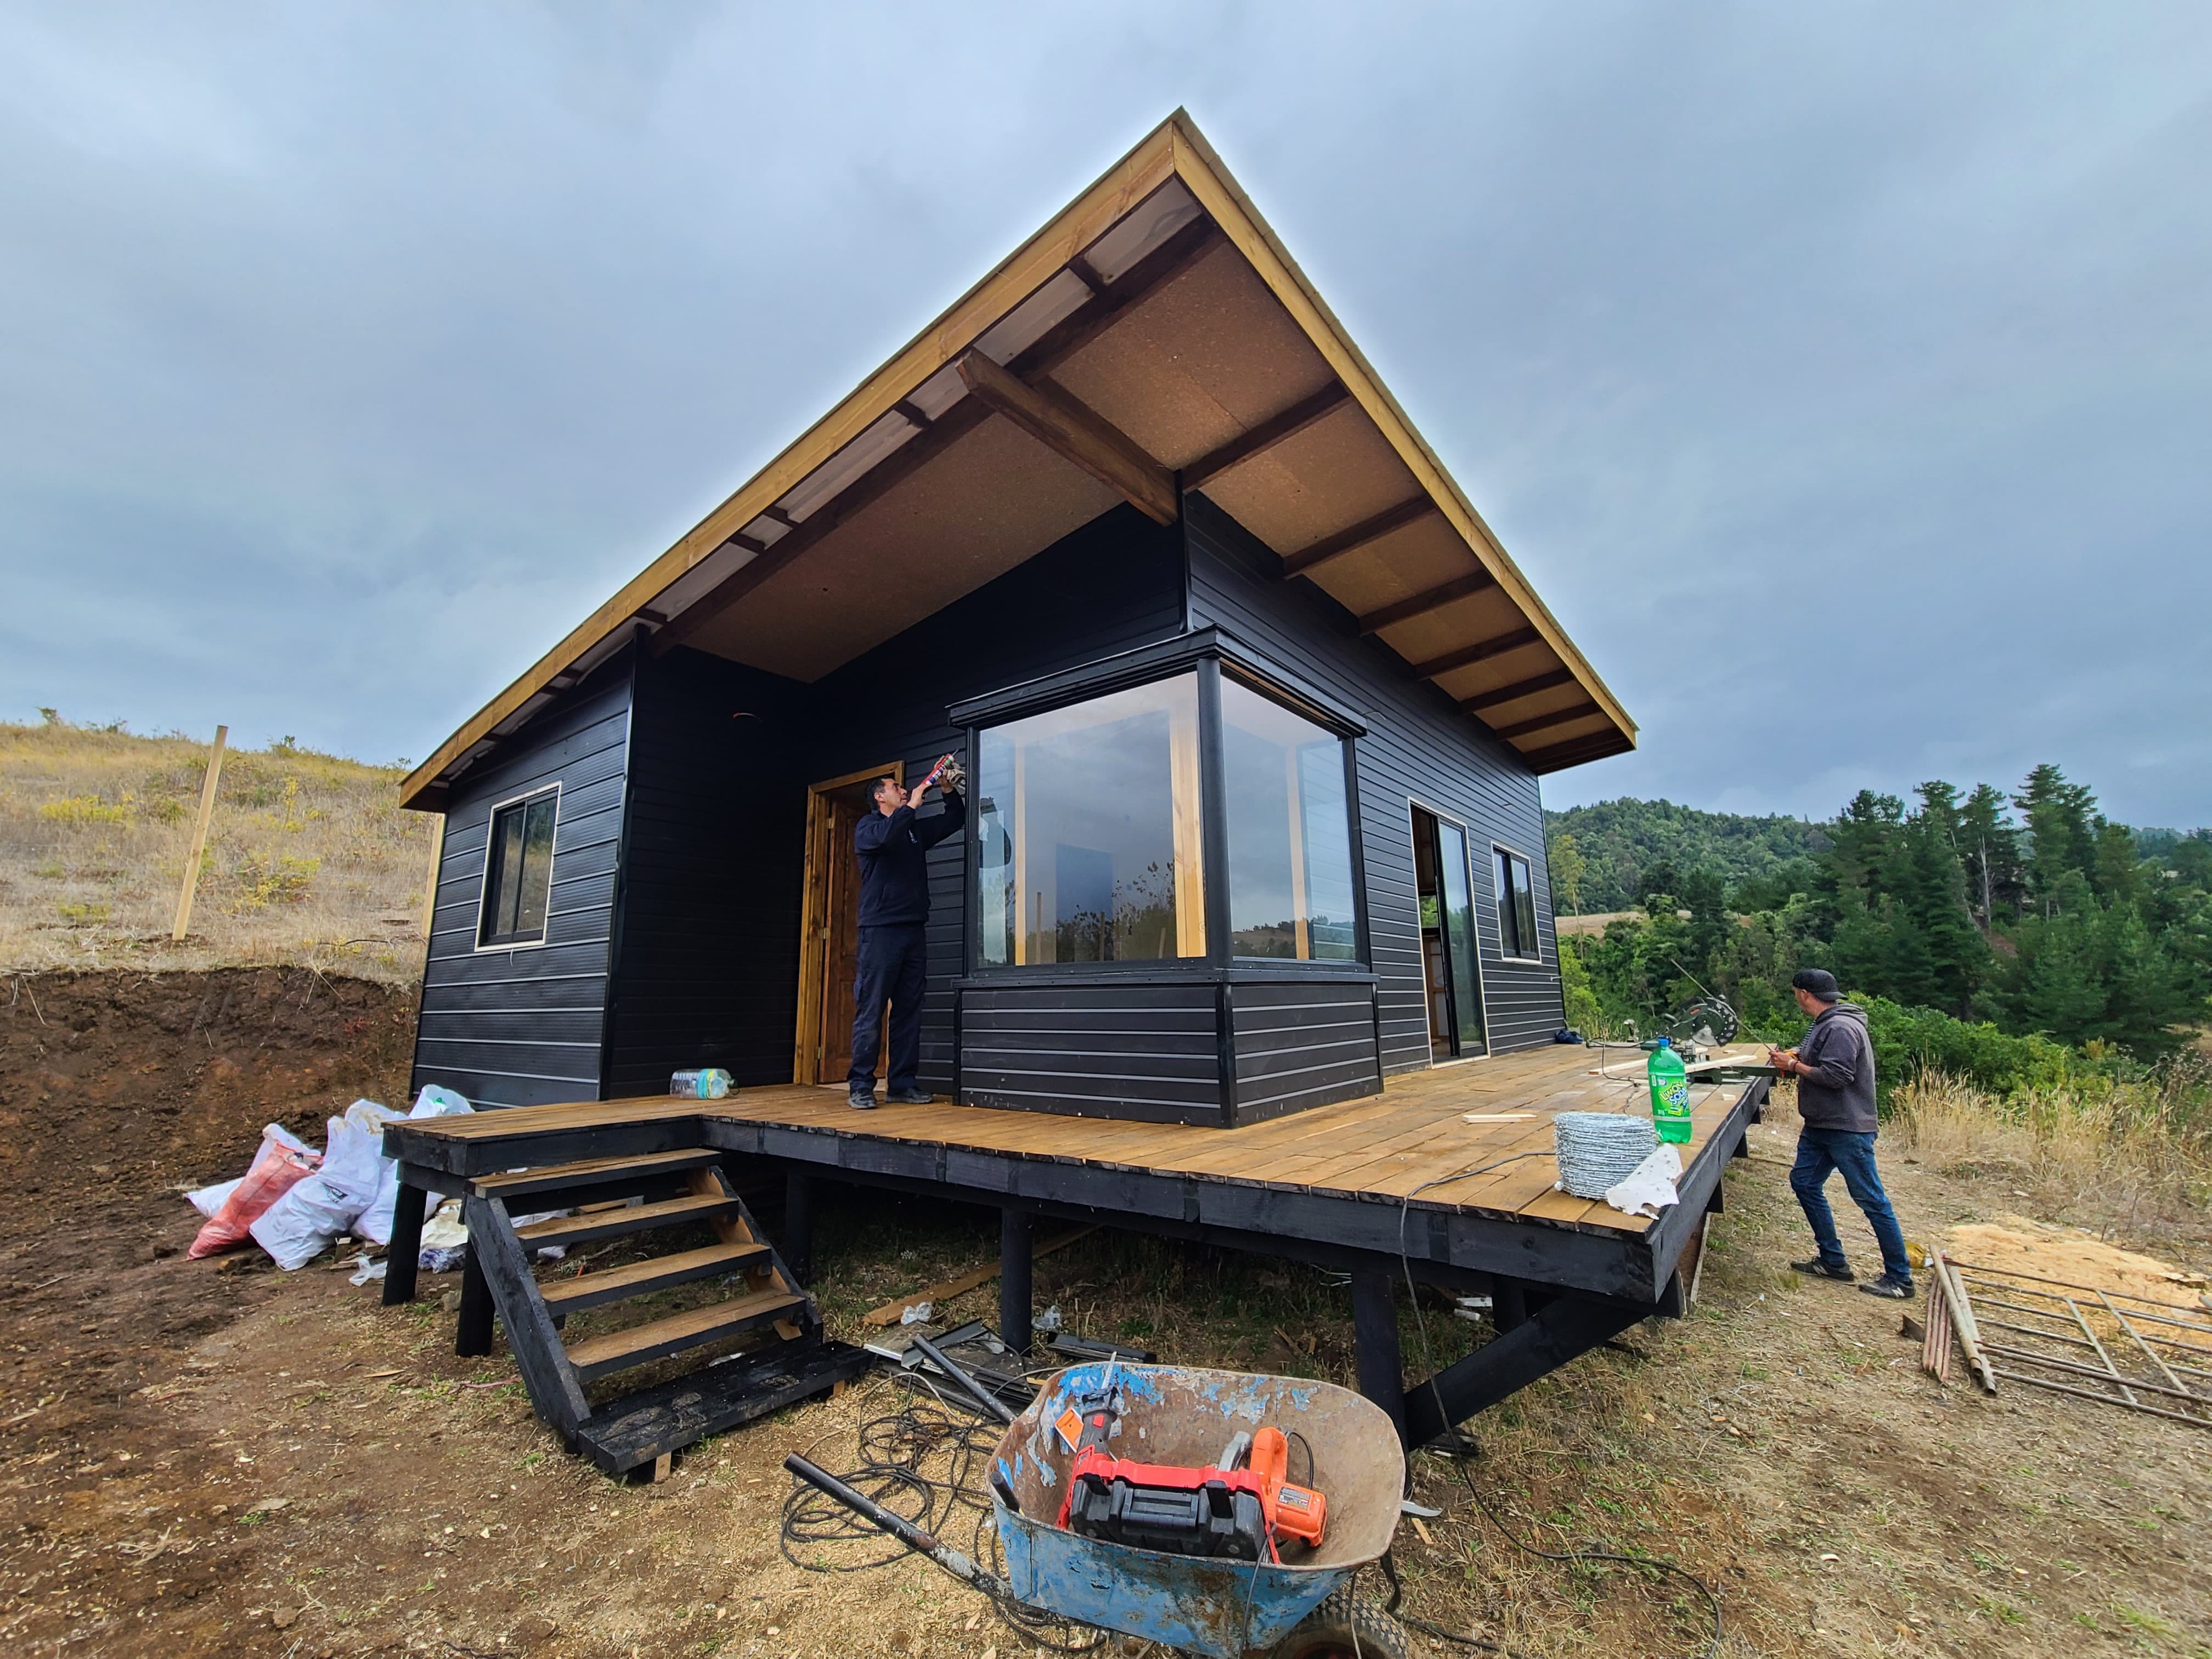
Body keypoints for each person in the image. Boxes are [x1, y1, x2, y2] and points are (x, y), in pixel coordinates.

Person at [1768, 968, 1915, 1300]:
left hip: (1847, 1129)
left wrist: (1792, 1067)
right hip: (1821, 1125)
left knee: (1871, 1200)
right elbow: (1821, 1060)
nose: (1796, 998)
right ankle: (1833, 1261)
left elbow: (1836, 1076)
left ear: (1805, 994)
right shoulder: (1827, 1023)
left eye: (1796, 993)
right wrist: (1796, 1056)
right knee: (1804, 1183)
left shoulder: (1841, 1027)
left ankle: (1900, 1278)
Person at [848, 766, 965, 1110]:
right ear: (879, 797)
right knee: (871, 1009)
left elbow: (953, 820)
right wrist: (912, 805)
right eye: (895, 787)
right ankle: (860, 1085)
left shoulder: (912, 830)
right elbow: (886, 836)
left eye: (902, 788)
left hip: (913, 929)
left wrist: (946, 790)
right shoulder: (868, 828)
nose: (902, 790)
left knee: (909, 1010)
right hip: (880, 931)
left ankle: (901, 1084)